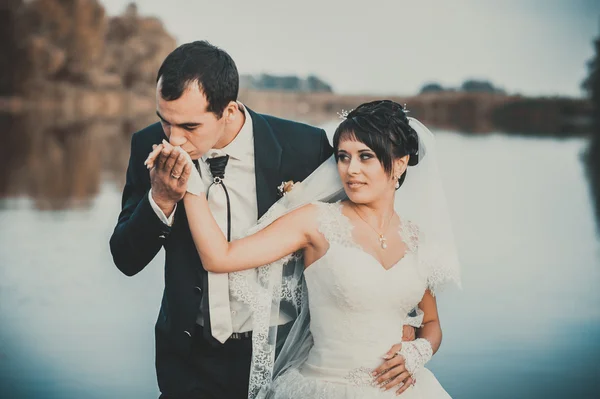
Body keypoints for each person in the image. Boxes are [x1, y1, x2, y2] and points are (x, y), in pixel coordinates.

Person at [147, 100, 461, 398]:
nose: (351, 169)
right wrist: (189, 186)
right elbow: (220, 257)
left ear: (400, 163)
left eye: (365, 156)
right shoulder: (315, 221)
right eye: (343, 156)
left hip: (405, 391)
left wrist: (417, 352)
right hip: (324, 387)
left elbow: (431, 324)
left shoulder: (417, 240)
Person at [108, 40, 335, 398]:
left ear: (228, 111)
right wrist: (161, 198)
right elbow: (126, 259)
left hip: (282, 355)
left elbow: (355, 235)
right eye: (164, 121)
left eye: (189, 126)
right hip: (187, 359)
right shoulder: (148, 147)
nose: (174, 139)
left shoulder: (305, 148)